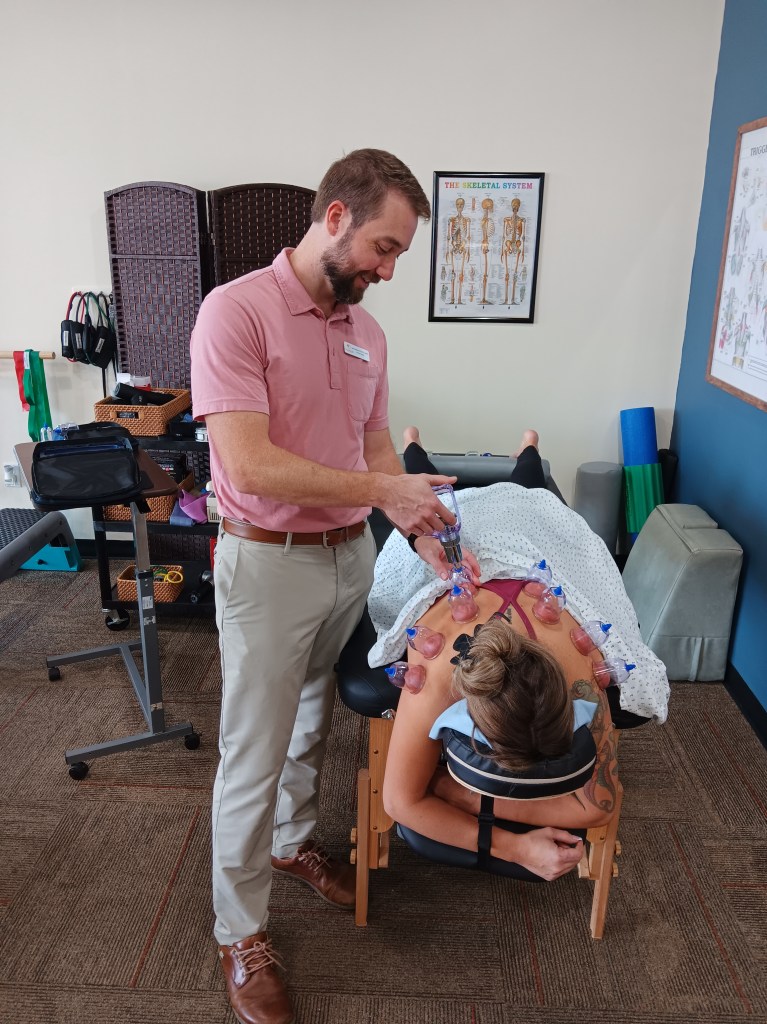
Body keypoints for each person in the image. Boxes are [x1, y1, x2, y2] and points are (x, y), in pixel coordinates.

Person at [190, 151, 466, 1024]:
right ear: (336, 217)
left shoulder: (366, 332)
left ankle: (289, 845)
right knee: (253, 748)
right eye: (383, 247)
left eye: (397, 257)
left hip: (349, 555)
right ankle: (240, 931)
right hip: (266, 560)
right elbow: (249, 462)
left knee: (313, 717)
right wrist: (382, 492)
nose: (387, 270)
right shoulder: (235, 312)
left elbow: (375, 450)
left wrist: (418, 524)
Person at [372, 427, 670, 882]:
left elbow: (600, 803)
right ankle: (414, 444)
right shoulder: (437, 673)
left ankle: (529, 448)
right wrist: (513, 847)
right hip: (471, 548)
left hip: (531, 542)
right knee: (425, 502)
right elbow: (398, 802)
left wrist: (470, 798)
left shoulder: (580, 673)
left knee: (537, 499)